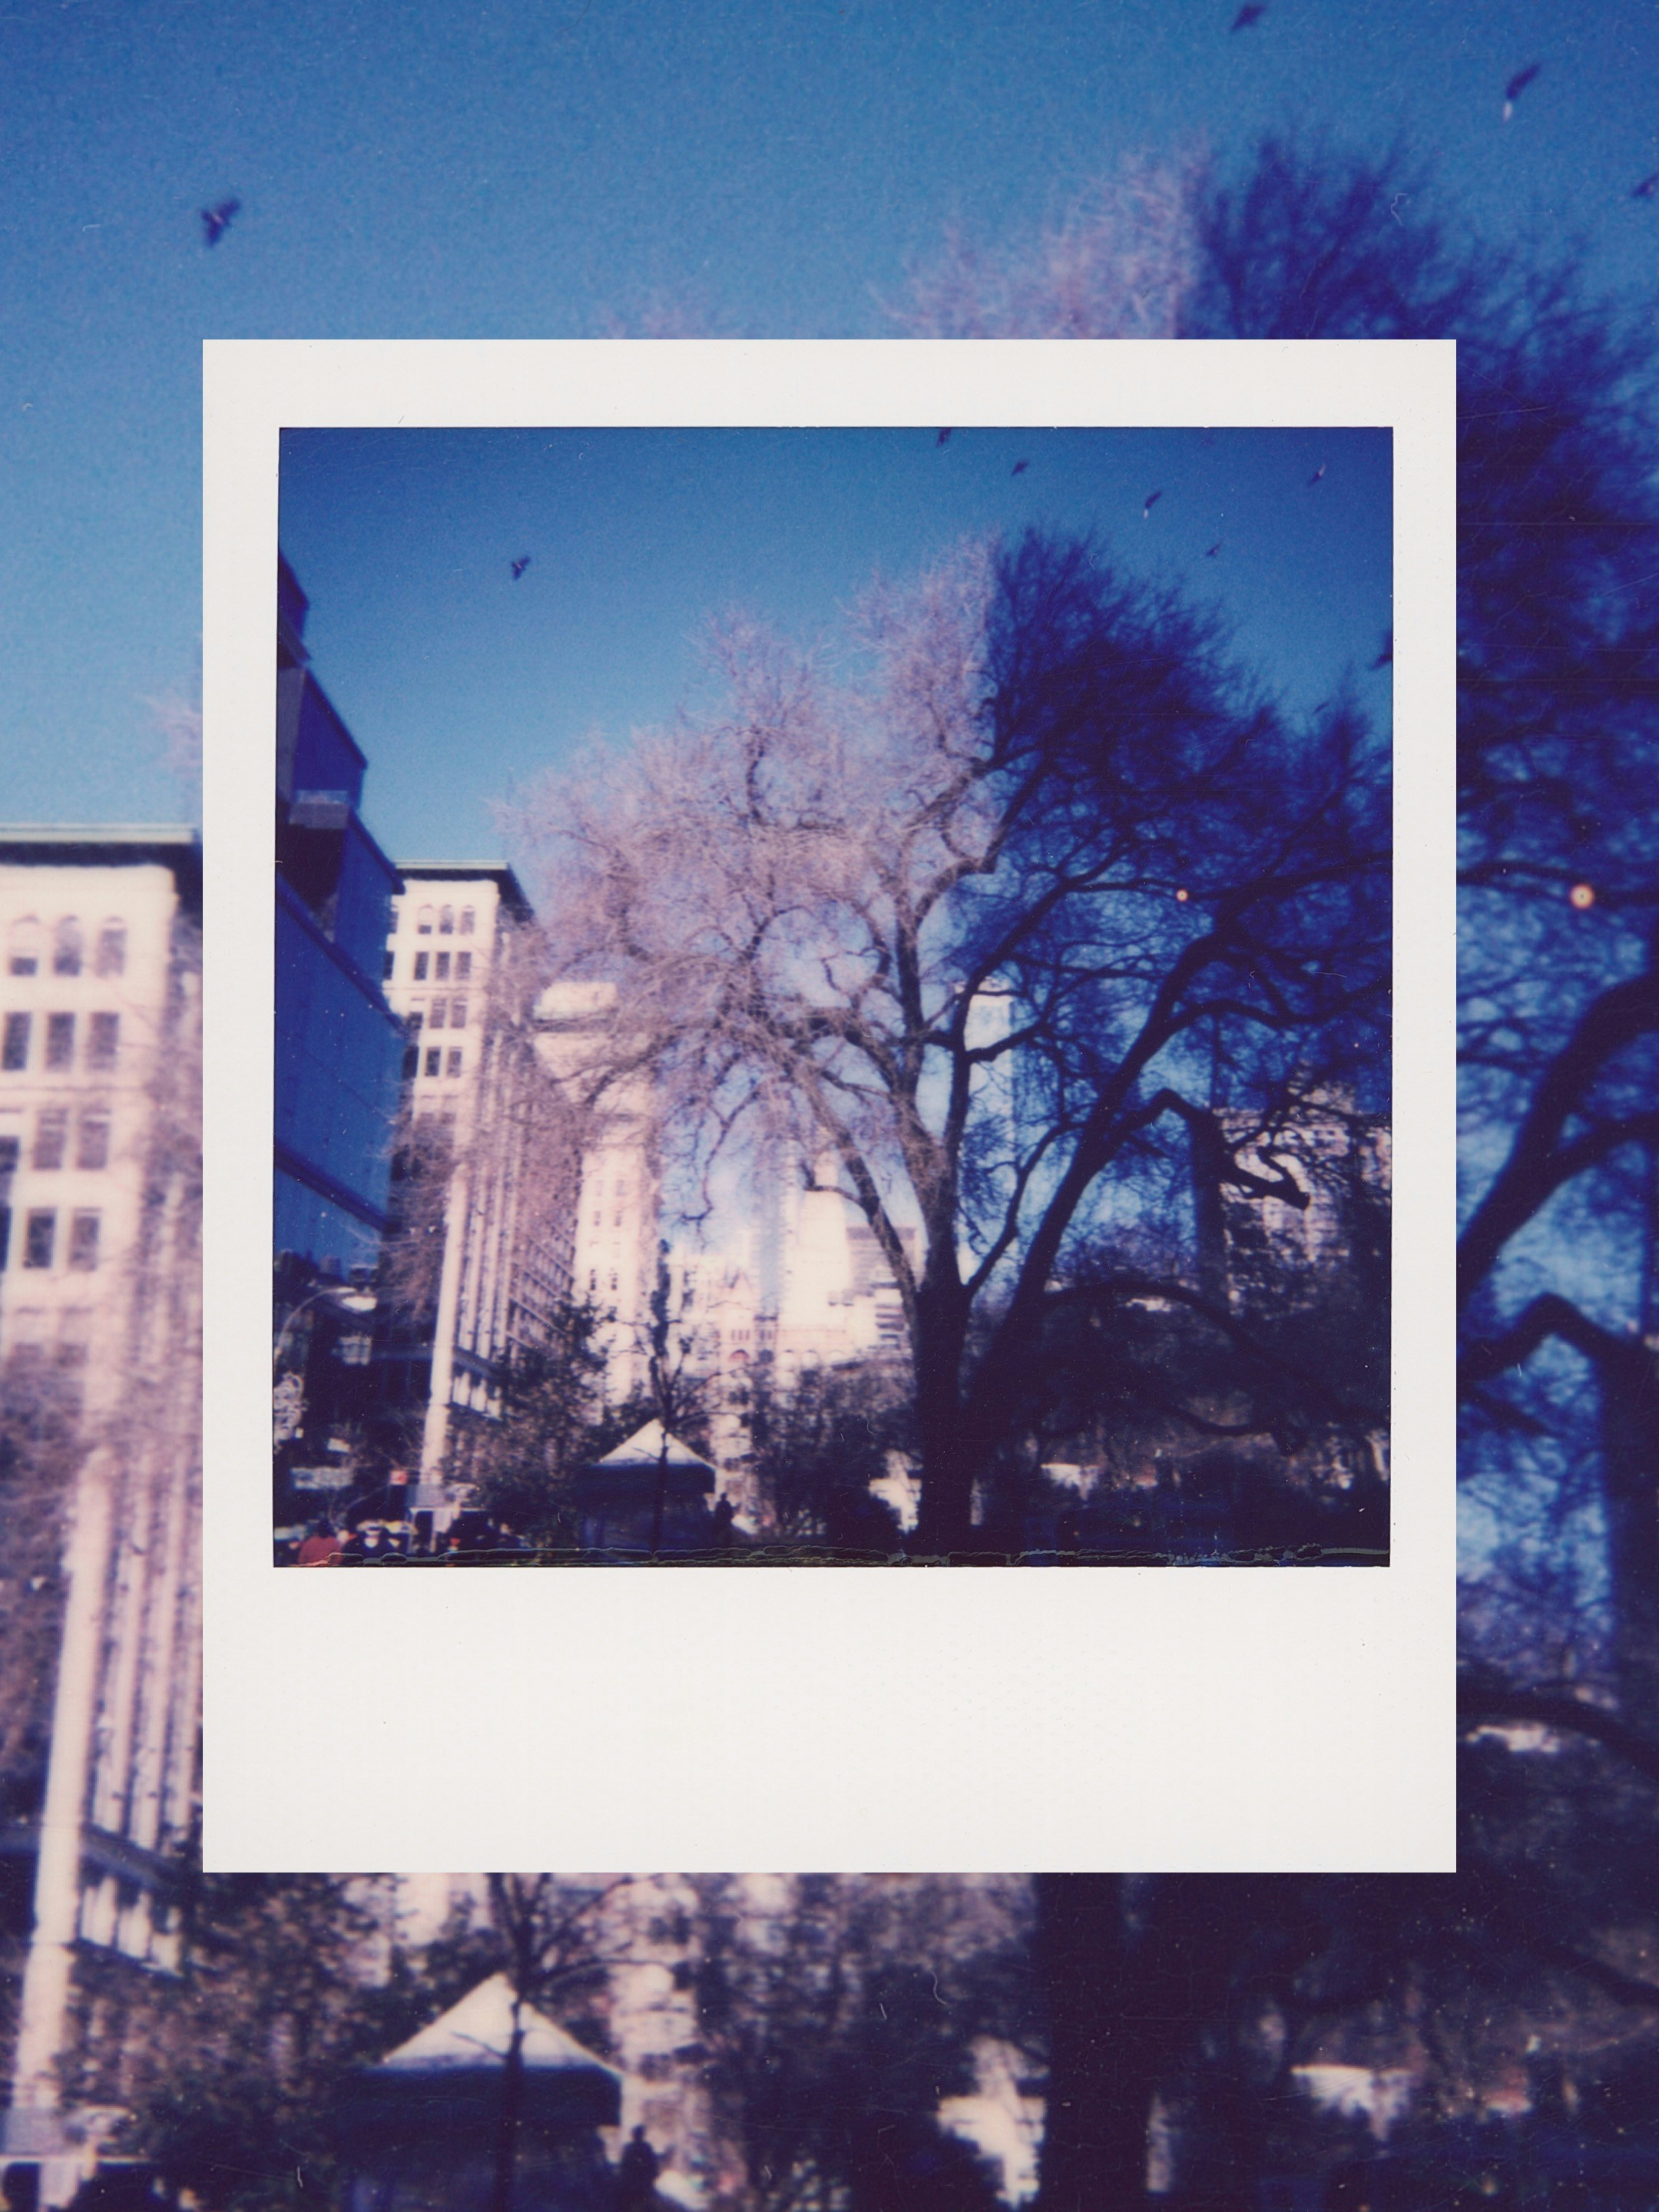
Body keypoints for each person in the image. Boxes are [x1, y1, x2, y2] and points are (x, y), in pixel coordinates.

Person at [618, 2124, 661, 2210]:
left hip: (631, 2189)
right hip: (643, 2189)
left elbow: (623, 2169)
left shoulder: (629, 2149)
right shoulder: (647, 2148)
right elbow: (654, 2169)